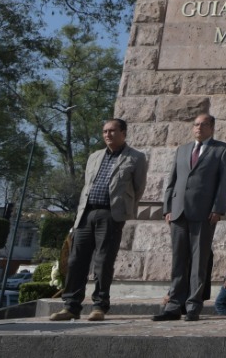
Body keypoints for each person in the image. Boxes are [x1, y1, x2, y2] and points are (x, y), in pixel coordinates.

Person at [49, 119, 148, 322]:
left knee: (103, 262)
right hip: (87, 213)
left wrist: (122, 208)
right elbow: (87, 185)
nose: (107, 135)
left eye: (112, 131)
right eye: (104, 131)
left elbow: (138, 189)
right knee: (76, 260)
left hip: (110, 215)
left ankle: (99, 306)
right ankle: (71, 306)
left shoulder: (136, 158)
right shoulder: (94, 157)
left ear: (123, 133)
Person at [153, 113, 226, 321]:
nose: (198, 128)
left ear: (212, 127)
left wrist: (218, 208)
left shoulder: (222, 149)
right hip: (178, 212)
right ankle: (173, 305)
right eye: (195, 124)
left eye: (203, 124)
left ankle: (192, 306)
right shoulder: (182, 150)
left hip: (204, 213)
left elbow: (224, 182)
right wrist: (167, 207)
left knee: (199, 261)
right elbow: (172, 181)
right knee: (178, 260)